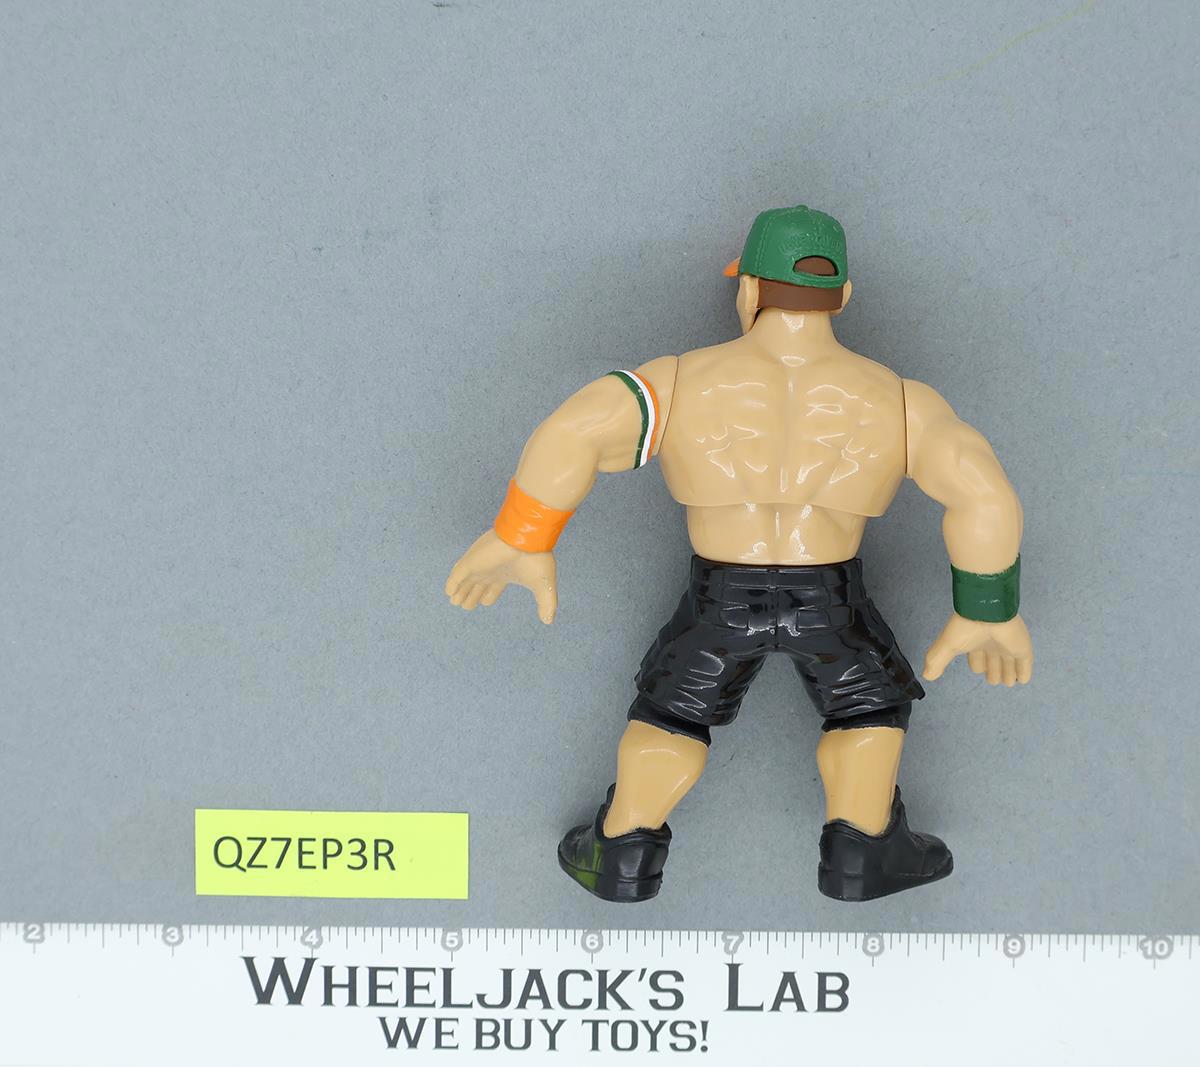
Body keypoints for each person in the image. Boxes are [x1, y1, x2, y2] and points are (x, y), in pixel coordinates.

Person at [446, 206, 1032, 902]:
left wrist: (522, 535)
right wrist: (987, 608)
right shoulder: (901, 401)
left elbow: (574, 431)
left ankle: (621, 855)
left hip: (721, 596)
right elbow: (983, 492)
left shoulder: (679, 382)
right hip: (831, 598)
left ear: (749, 288)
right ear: (843, 294)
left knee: (674, 713)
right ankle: (862, 852)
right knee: (866, 707)